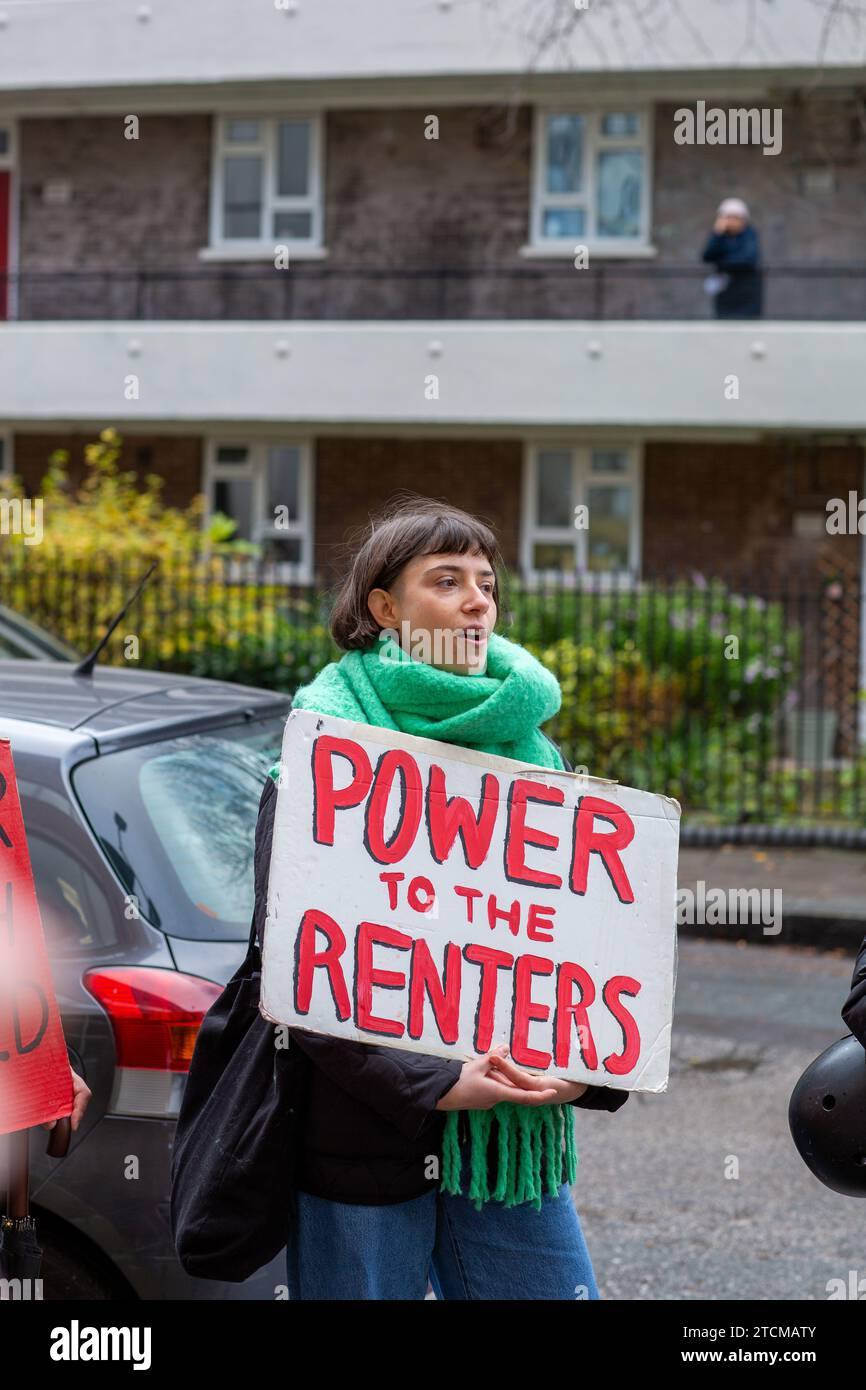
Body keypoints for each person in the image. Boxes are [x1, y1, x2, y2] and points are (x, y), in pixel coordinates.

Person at [255, 495, 630, 1300]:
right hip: (363, 1141)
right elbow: (292, 965)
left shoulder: (538, 753)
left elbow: (581, 946)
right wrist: (435, 1081)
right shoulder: (321, 747)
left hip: (509, 1148)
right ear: (385, 608)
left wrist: (583, 1069)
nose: (476, 602)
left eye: (487, 584)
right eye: (447, 580)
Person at [701, 197, 762, 319]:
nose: (731, 221)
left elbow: (748, 259)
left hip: (746, 290)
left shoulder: (749, 234)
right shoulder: (720, 236)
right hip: (725, 292)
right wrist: (717, 234)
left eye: (734, 218)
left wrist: (723, 262)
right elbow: (707, 256)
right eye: (727, 217)